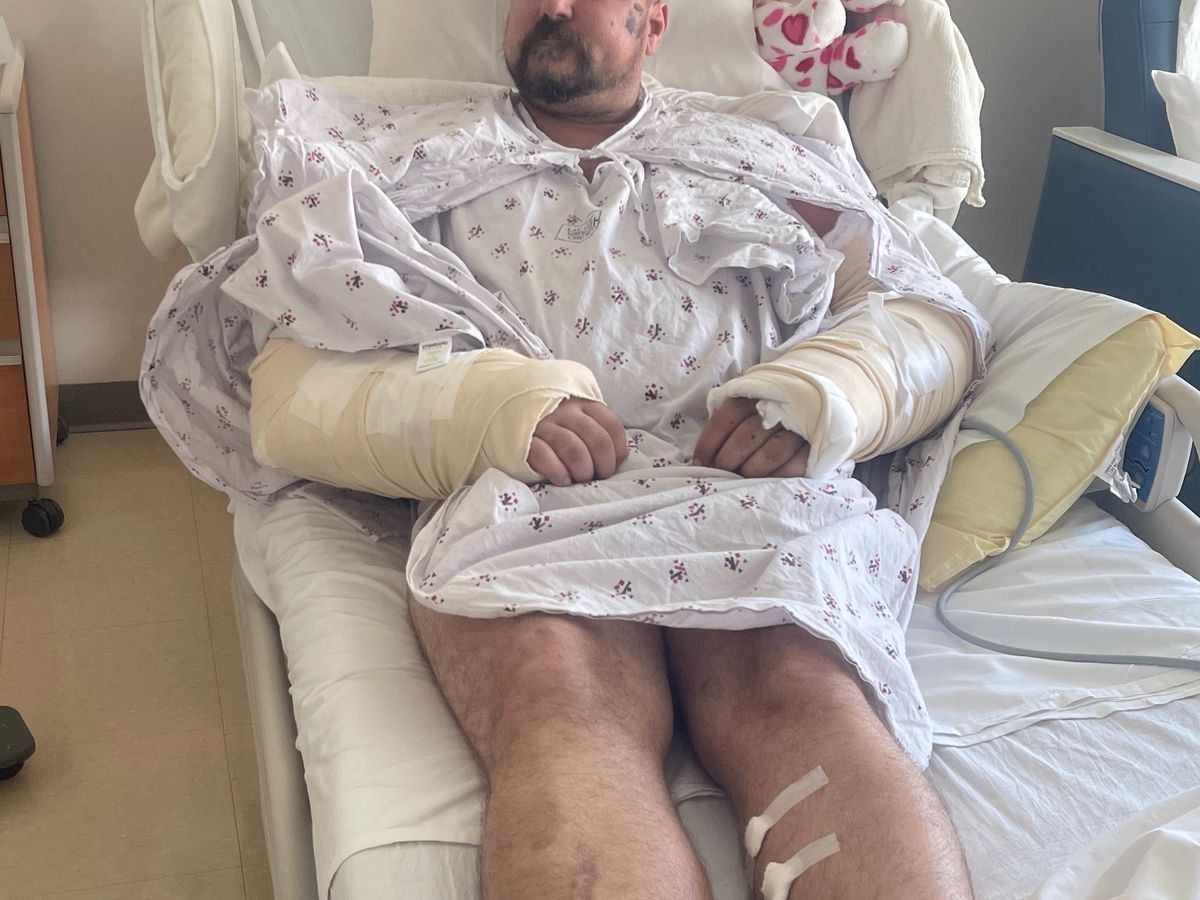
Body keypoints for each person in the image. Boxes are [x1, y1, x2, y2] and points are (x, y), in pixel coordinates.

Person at [146, 1, 988, 896]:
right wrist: (488, 408)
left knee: (802, 693)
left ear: (653, 21)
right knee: (559, 700)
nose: (551, 6)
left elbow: (924, 316)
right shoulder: (399, 158)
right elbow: (293, 385)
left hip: (750, 491)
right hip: (525, 500)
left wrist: (824, 395)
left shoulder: (767, 150)